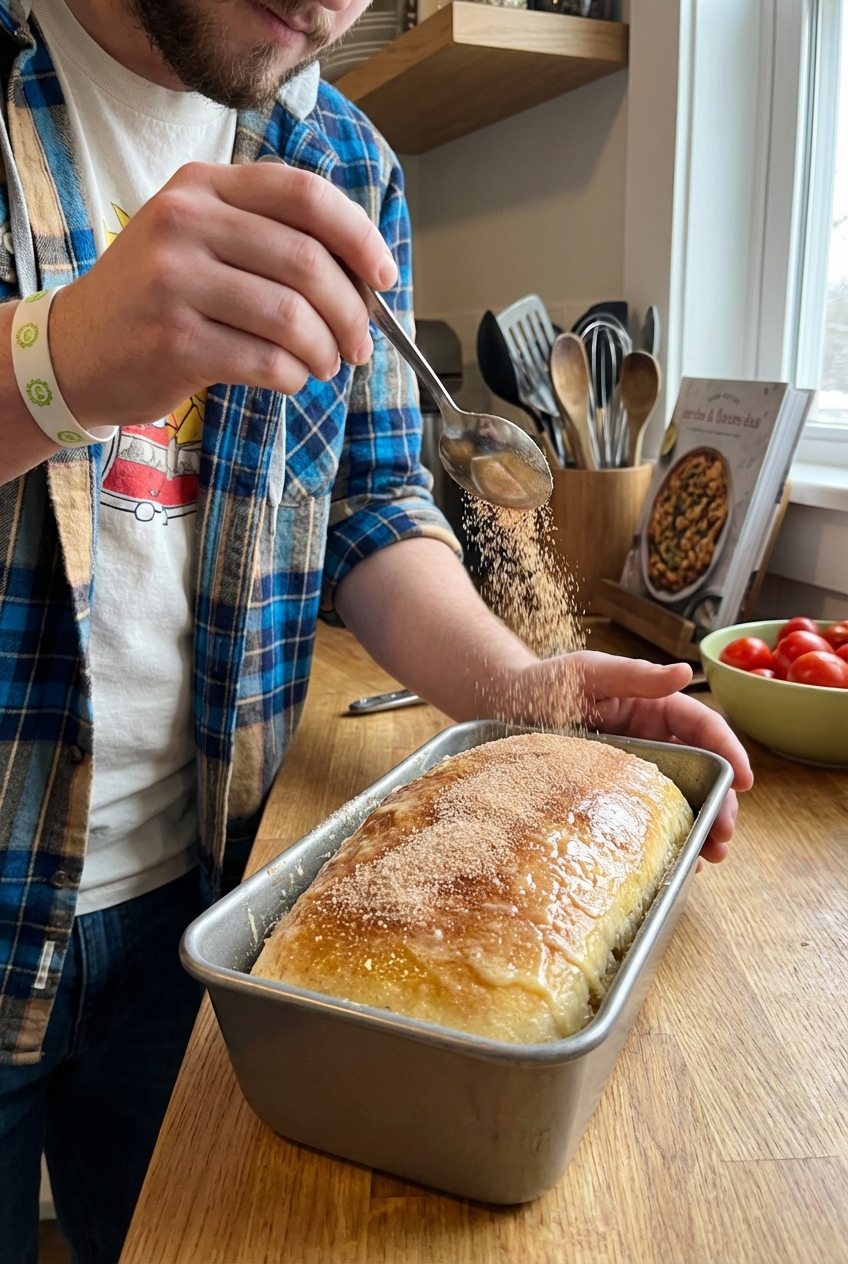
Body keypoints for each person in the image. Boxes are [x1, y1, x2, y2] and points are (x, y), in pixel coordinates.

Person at [0, 0, 753, 1260]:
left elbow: (369, 503)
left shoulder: (343, 160)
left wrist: (516, 688)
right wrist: (54, 359)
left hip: (210, 917)